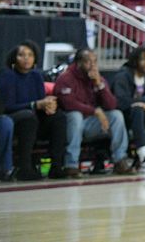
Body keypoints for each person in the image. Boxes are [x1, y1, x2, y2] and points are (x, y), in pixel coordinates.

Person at [55, 48, 136, 177]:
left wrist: (99, 85)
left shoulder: (97, 77)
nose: (92, 65)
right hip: (68, 123)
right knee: (75, 116)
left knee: (116, 115)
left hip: (90, 123)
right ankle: (71, 165)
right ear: (78, 63)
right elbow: (68, 104)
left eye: (94, 61)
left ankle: (120, 160)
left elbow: (112, 105)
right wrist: (95, 111)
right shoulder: (66, 78)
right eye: (88, 62)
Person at [2, 41, 66, 179]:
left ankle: (56, 166)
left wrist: (49, 106)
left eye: (30, 55)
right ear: (14, 58)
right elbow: (7, 106)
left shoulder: (36, 76)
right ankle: (24, 168)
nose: (26, 58)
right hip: (14, 119)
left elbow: (41, 101)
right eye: (21, 55)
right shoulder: (8, 75)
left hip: (34, 117)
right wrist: (34, 105)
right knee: (28, 116)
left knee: (58, 117)